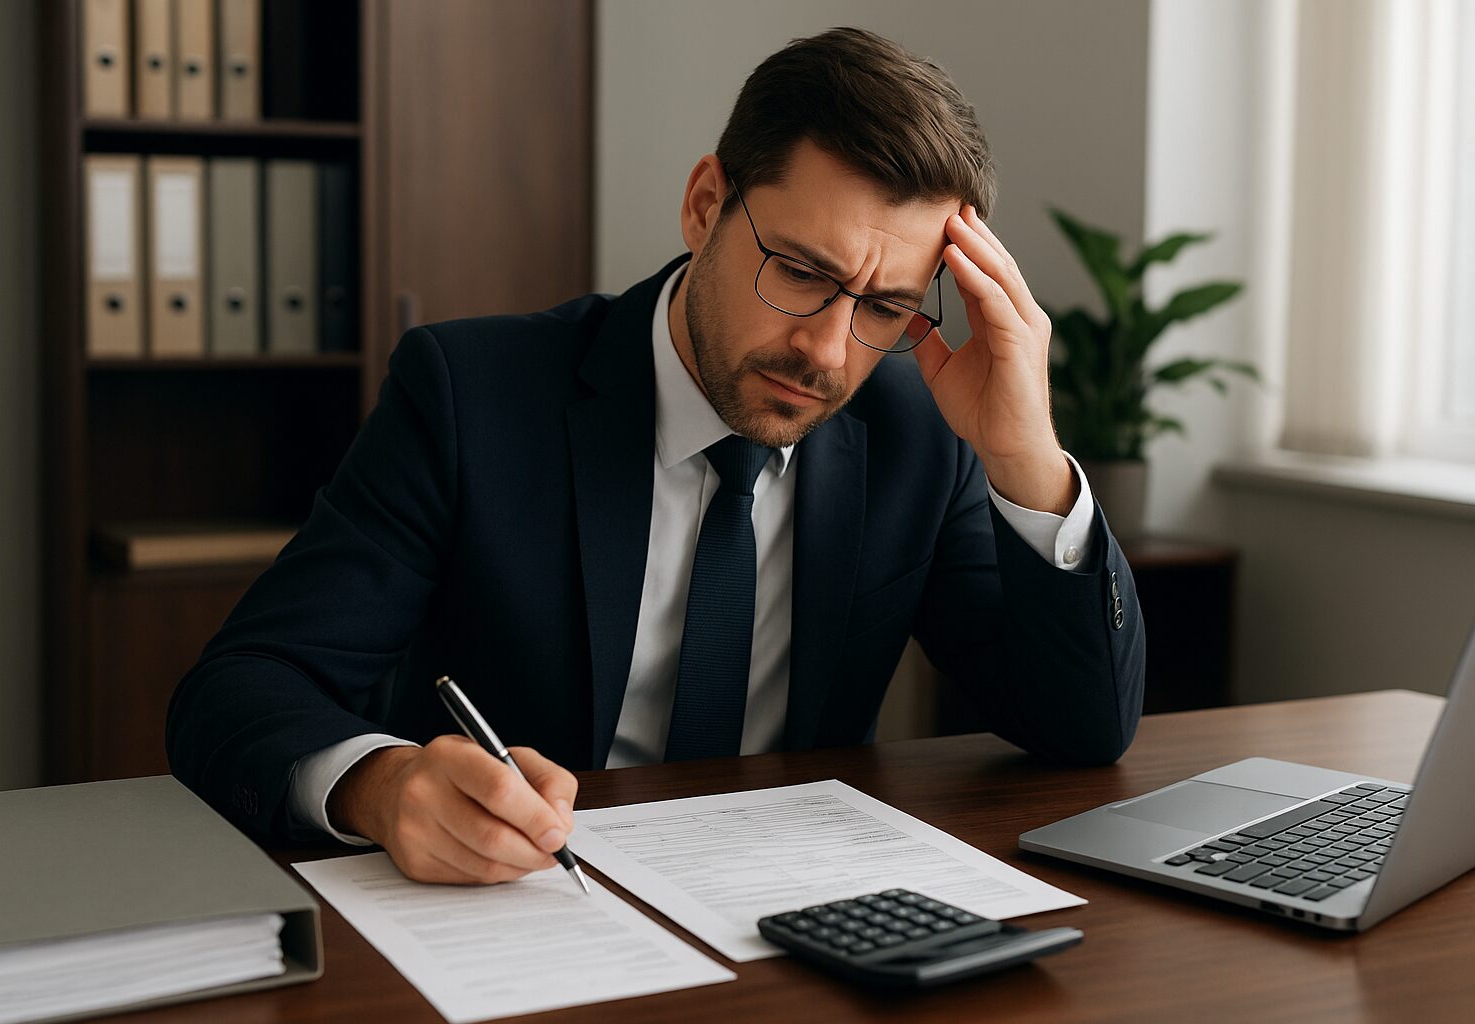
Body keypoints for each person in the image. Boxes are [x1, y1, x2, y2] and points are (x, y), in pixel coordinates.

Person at [167, 26, 1144, 887]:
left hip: (785, 916)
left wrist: (1028, 455)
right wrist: (383, 785)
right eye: (801, 271)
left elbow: (1083, 730)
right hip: (525, 913)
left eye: (885, 306)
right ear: (705, 201)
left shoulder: (918, 428)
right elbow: (242, 686)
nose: (828, 349)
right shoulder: (472, 393)